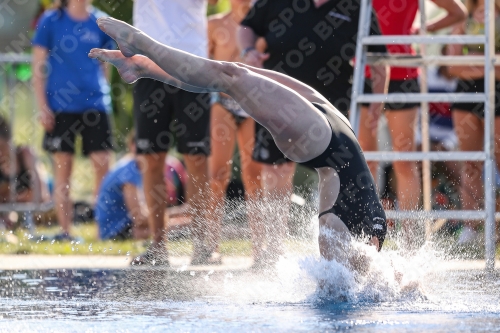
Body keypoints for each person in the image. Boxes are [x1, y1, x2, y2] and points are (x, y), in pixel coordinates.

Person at [88, 17, 387, 269]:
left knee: (230, 76)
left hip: (323, 138)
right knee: (232, 72)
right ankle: (143, 66)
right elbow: (374, 276)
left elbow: (342, 283)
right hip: (334, 127)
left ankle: (141, 48)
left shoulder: (338, 232)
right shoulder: (363, 240)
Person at [237, 0, 388, 261]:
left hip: (330, 111)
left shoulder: (357, 7)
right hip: (278, 103)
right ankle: (273, 252)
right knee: (276, 169)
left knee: (335, 174)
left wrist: (376, 105)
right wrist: (248, 50)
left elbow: (378, 59)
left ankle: (339, 256)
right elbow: (247, 27)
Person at [358, 0, 467, 245]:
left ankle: (410, 240)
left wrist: (420, 29)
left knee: (404, 158)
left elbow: (458, 12)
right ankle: (368, 232)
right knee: (366, 157)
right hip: (366, 71)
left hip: (403, 73)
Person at [131, 0, 217, 265]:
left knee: (197, 158)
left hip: (192, 64)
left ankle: (203, 247)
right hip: (148, 66)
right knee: (152, 158)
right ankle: (158, 247)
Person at [32, 0, 115, 241]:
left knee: (103, 165)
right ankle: (66, 231)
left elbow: (106, 64)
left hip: (96, 104)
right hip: (60, 106)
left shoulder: (100, 21)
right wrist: (42, 107)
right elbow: (37, 65)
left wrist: (104, 91)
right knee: (63, 169)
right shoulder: (51, 20)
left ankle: (103, 231)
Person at [206, 0, 263, 265]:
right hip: (223, 103)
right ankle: (211, 243)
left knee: (254, 175)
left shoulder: (261, 24)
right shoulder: (215, 24)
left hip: (252, 104)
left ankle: (260, 247)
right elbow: (202, 67)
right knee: (218, 173)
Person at [447, 0, 500, 245]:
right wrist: (487, 65)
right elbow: (451, 66)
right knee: (470, 163)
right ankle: (472, 226)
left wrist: (472, 65)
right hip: (466, 93)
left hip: (497, 92)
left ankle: (496, 227)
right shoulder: (463, 18)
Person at [95, 131, 188, 242]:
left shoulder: (132, 166)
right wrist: (178, 213)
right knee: (182, 226)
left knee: (181, 224)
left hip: (119, 226)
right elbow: (139, 218)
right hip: (116, 231)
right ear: (132, 146)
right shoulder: (130, 172)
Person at [0, 116, 50, 205]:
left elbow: (41, 195)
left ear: (9, 141)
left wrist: (10, 199)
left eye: (2, 148)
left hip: (48, 188)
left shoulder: (25, 154)